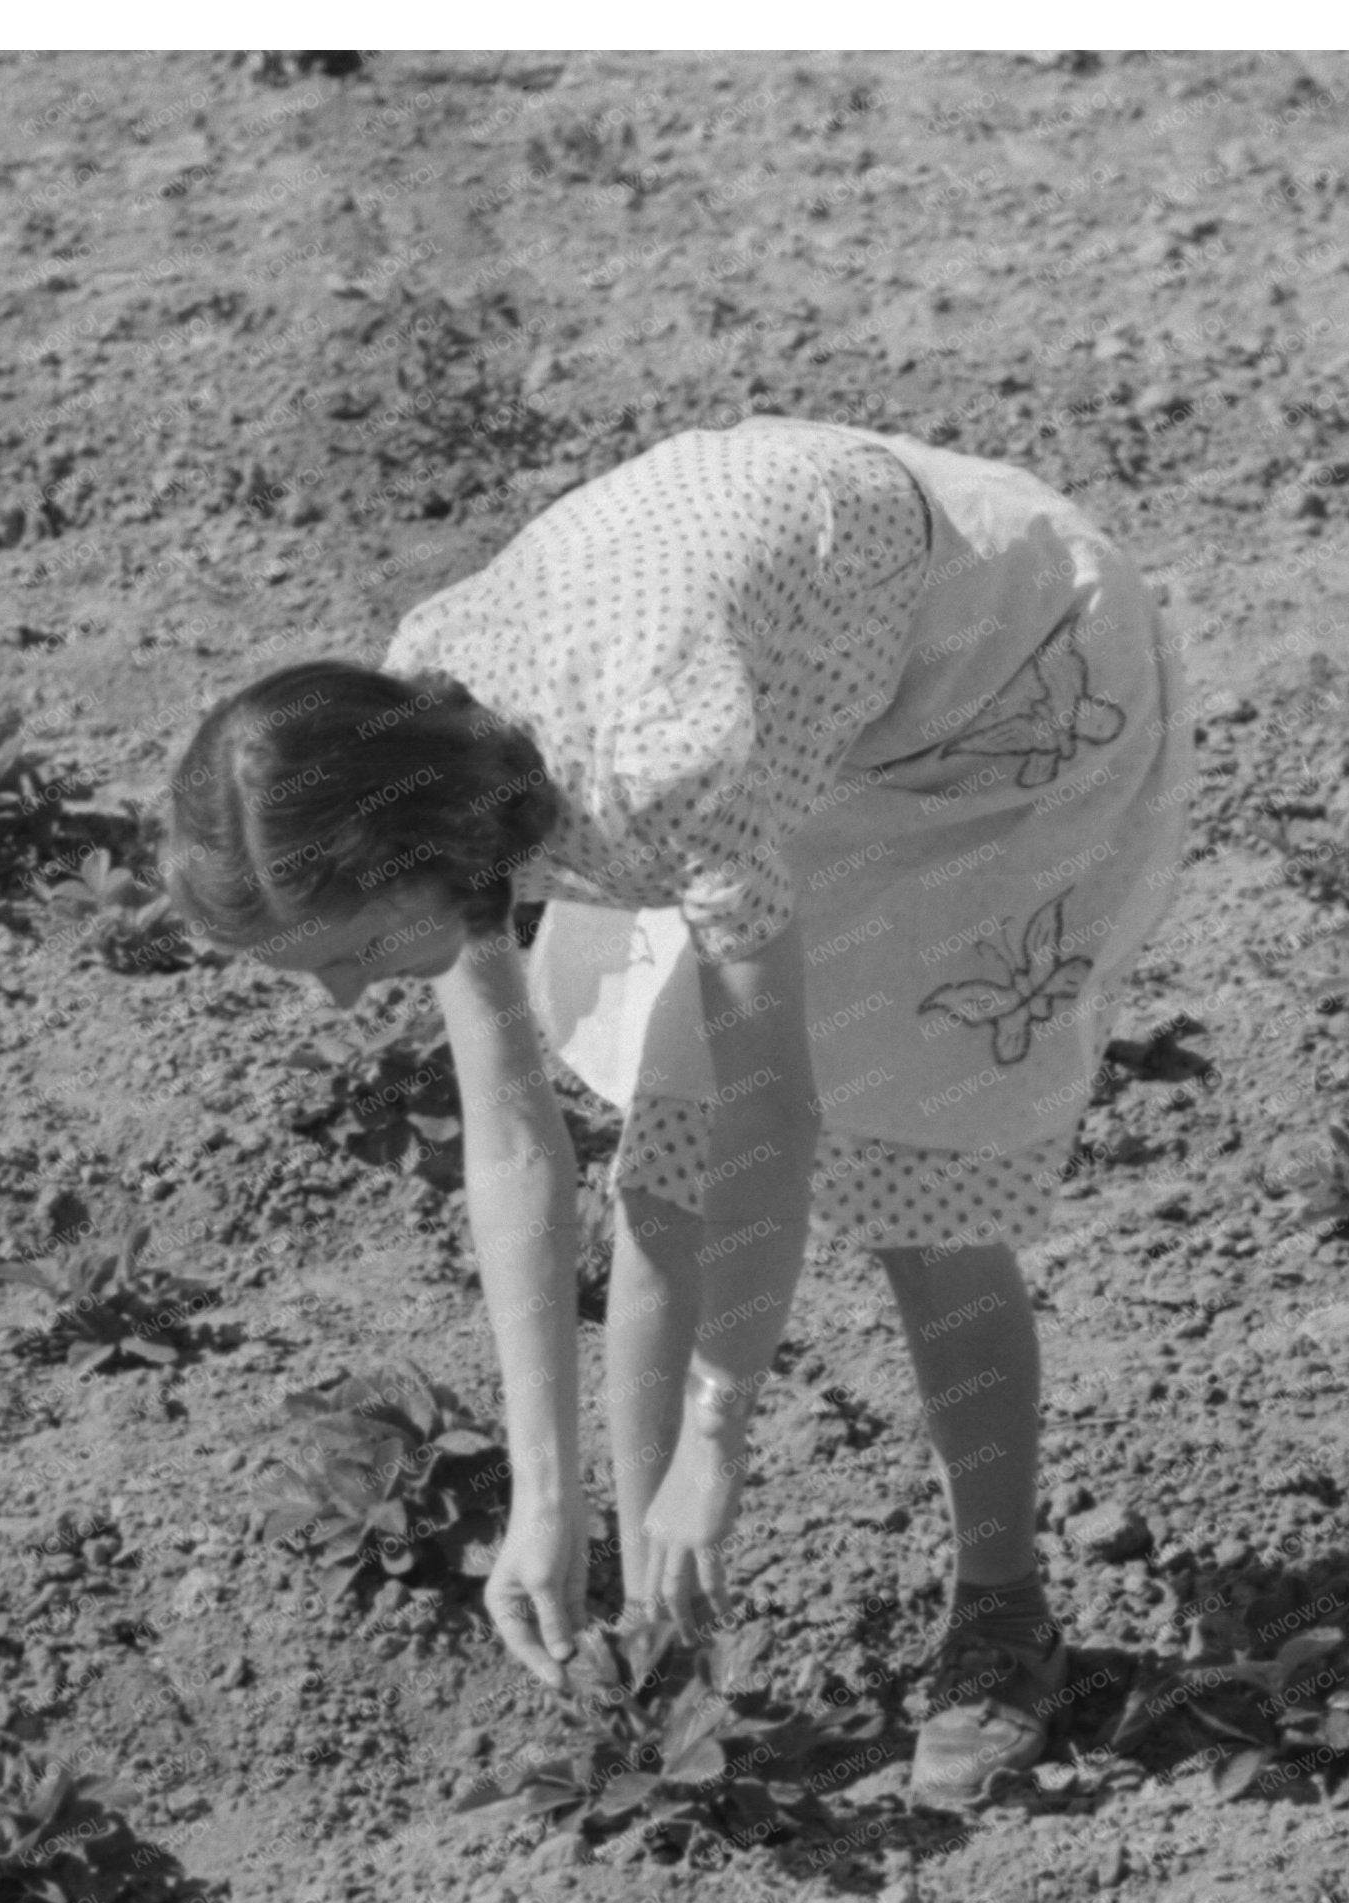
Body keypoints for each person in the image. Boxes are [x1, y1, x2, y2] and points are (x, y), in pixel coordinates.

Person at [164, 416, 1187, 1809]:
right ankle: (657, 1649)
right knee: (665, 1177)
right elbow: (515, 1137)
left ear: (410, 860)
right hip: (790, 685)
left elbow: (783, 1107)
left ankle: (1000, 1614)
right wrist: (544, 1499)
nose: (348, 999)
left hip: (997, 692)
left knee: (915, 1189)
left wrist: (720, 1436)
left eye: (347, 954)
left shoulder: (664, 770)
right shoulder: (421, 734)